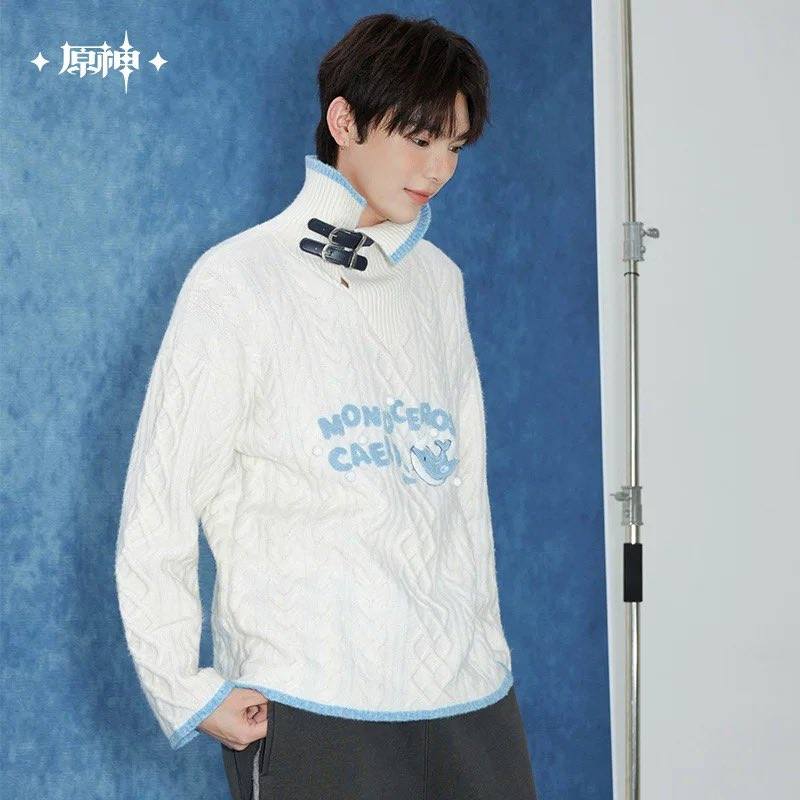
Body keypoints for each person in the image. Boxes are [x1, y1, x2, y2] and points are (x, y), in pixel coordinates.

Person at [115, 12, 538, 800]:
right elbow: (160, 498)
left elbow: (463, 493)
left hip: (468, 695)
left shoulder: (439, 282)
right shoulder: (237, 280)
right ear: (345, 121)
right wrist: (184, 685)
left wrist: (489, 648)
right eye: (420, 138)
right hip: (312, 697)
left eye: (455, 145)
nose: (439, 168)